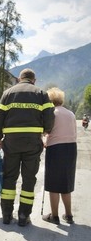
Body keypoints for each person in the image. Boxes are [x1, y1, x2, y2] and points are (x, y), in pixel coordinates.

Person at [0, 68, 55, 226]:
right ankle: (23, 216)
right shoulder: (41, 93)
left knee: (9, 177)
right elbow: (49, 115)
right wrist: (46, 131)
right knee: (28, 179)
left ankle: (6, 215)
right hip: (32, 142)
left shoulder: (8, 93)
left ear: (20, 79)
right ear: (34, 80)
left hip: (11, 142)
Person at [42, 87, 77, 225]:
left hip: (56, 149)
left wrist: (43, 140)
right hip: (71, 149)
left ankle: (54, 216)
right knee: (66, 182)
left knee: (53, 184)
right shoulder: (71, 114)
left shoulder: (52, 113)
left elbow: (47, 134)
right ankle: (69, 215)